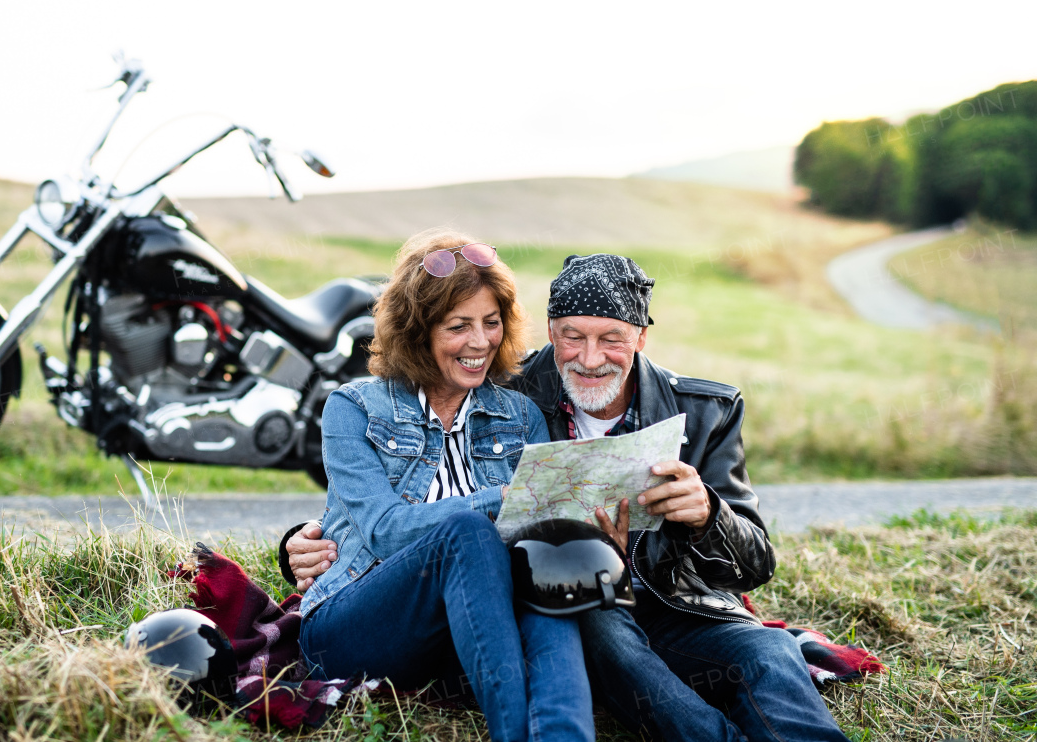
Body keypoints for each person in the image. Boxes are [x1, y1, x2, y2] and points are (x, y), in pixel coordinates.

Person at [285, 254, 851, 742]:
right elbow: (400, 503)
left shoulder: (703, 411)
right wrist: (303, 539)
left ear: (641, 338)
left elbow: (755, 564)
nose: (589, 357)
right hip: (580, 594)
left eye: (612, 339)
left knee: (769, 653)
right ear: (550, 334)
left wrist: (707, 515)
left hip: (669, 600)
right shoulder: (512, 387)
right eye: (572, 337)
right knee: (573, 590)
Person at [296, 230, 595, 742]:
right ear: (418, 332)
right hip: (355, 624)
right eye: (459, 326)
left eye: (491, 323)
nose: (480, 343)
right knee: (467, 531)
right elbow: (386, 532)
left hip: (467, 627)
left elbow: (540, 530)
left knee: (551, 578)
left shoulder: (519, 415)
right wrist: (500, 500)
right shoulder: (354, 409)